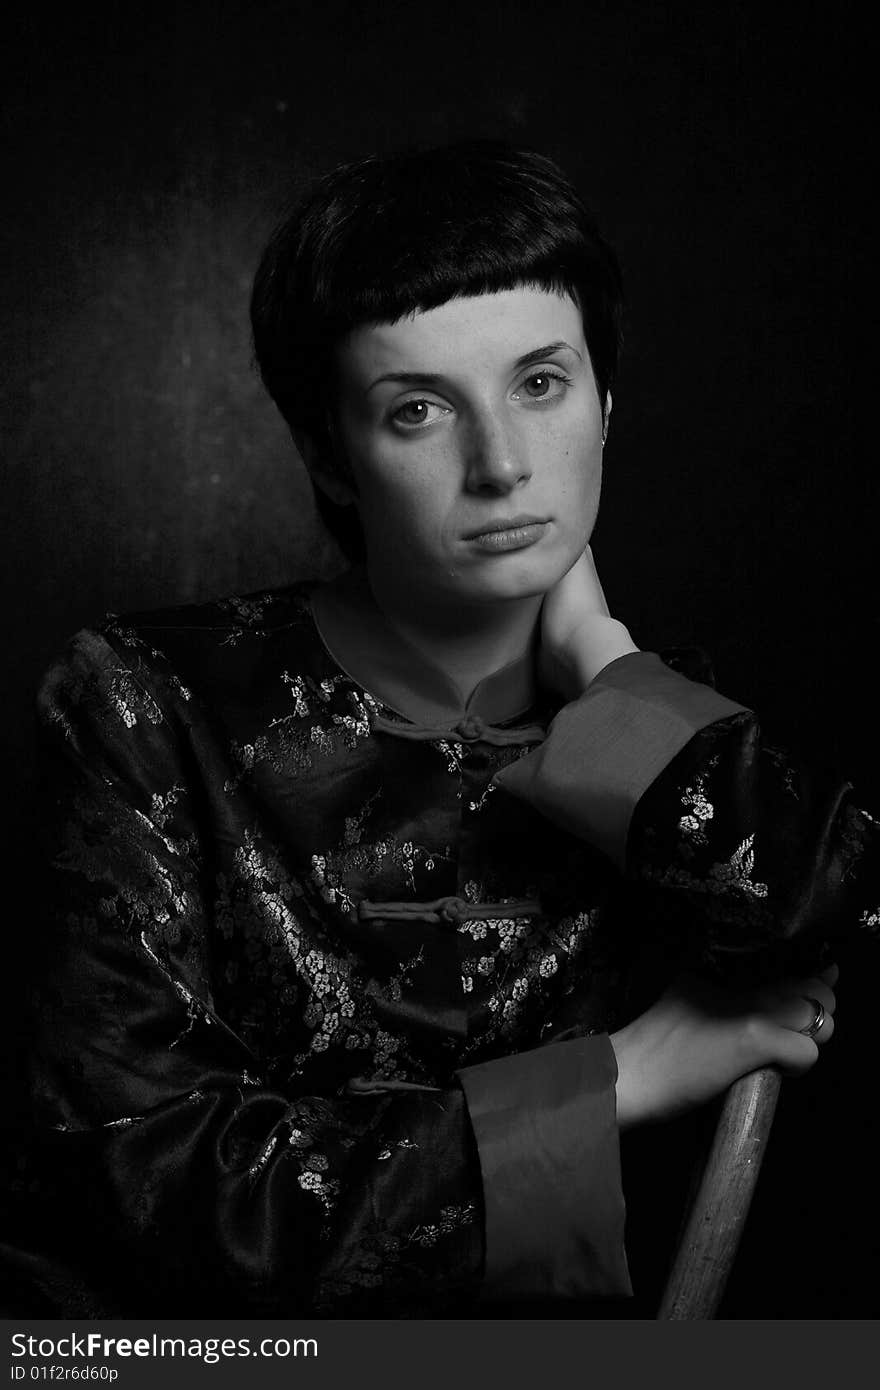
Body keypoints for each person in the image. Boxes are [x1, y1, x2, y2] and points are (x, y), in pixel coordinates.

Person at [6, 141, 876, 1318]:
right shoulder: (145, 699)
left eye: (539, 383)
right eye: (417, 409)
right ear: (329, 451)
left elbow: (840, 911)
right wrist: (613, 1080)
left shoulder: (666, 736)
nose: (503, 467)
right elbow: (140, 1182)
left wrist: (607, 666)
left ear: (607, 404)